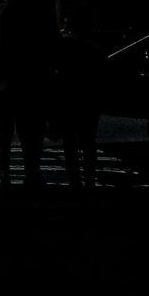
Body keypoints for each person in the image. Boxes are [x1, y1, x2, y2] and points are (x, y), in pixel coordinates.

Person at [0, 0, 56, 188]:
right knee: (32, 128)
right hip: (33, 79)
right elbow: (50, 48)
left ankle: (5, 171)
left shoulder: (3, 15)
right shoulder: (42, 15)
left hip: (10, 79)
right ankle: (31, 169)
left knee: (7, 129)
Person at [55, 14, 108, 192]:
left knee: (70, 141)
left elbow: (57, 74)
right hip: (89, 99)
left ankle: (74, 178)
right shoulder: (95, 50)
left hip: (69, 98)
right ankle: (89, 178)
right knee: (88, 141)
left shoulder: (63, 47)